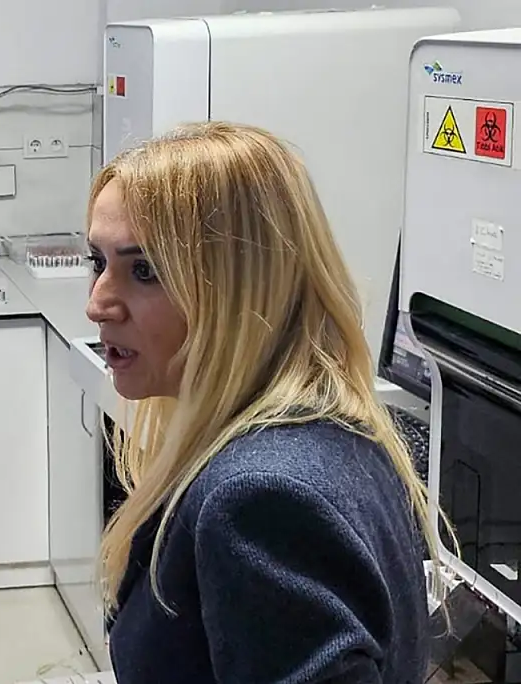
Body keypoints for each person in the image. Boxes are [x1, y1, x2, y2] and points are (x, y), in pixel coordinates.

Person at [86, 121, 440, 683]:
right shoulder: (340, 430)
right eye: (97, 263)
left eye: (144, 270)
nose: (98, 303)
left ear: (237, 286)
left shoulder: (259, 500)